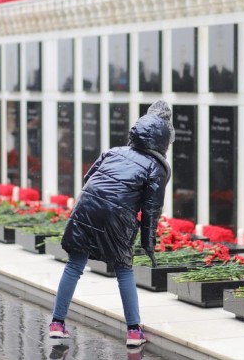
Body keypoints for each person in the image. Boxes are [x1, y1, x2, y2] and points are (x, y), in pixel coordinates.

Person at [49, 100, 174, 347]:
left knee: (75, 265)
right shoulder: (157, 168)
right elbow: (150, 211)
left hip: (86, 206)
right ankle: (133, 331)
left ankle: (57, 323)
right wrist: (149, 244)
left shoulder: (113, 152)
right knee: (123, 268)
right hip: (117, 217)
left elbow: (89, 177)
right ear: (163, 139)